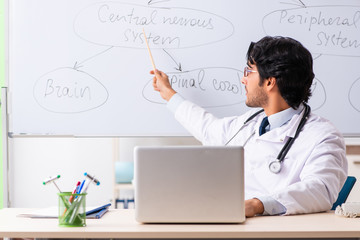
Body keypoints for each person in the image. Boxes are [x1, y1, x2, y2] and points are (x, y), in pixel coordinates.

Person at [150, 36, 348, 217]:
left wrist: (256, 205)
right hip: (233, 225)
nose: (243, 79)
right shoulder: (248, 123)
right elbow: (206, 127)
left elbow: (321, 189)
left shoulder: (323, 135)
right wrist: (168, 93)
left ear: (270, 81)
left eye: (249, 71)